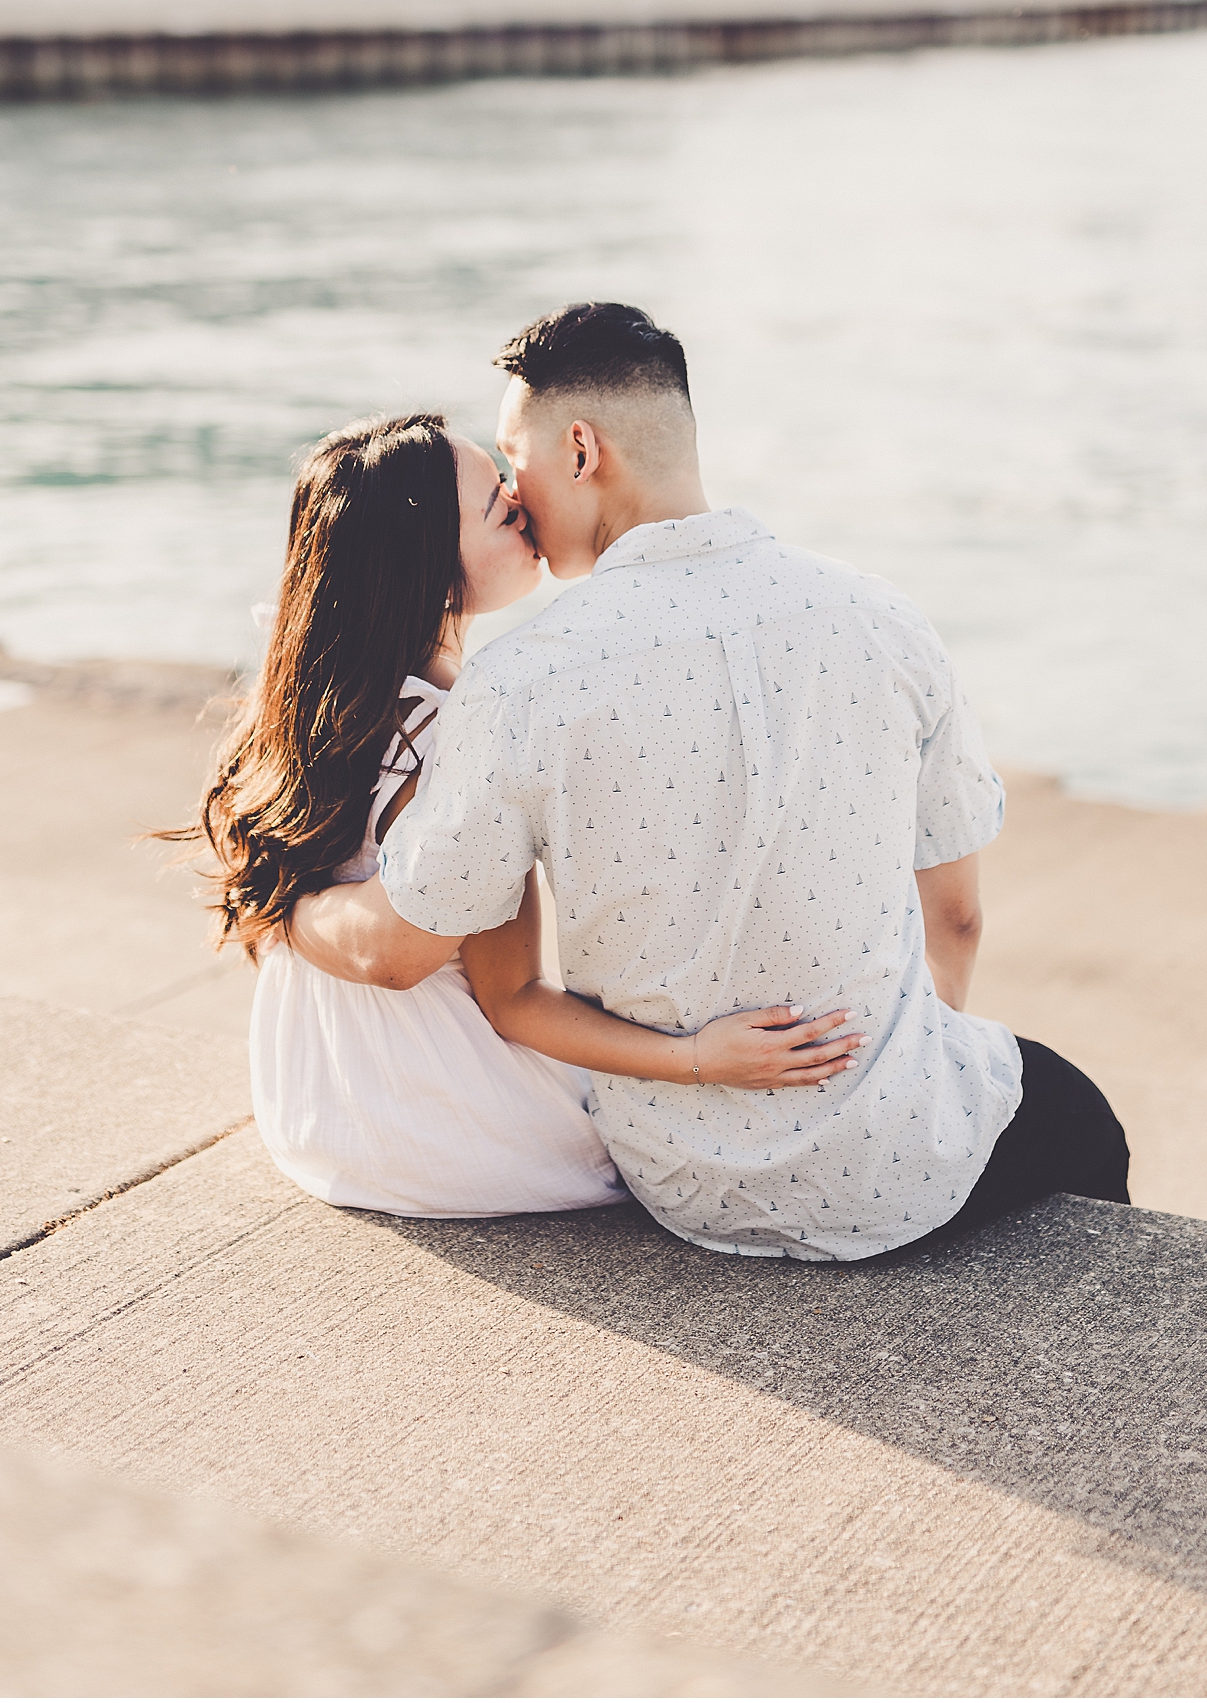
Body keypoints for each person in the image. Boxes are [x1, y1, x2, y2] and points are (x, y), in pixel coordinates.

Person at [297, 303, 1130, 1261]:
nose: (512, 496)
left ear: (580, 450)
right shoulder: (881, 616)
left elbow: (442, 957)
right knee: (1081, 1121)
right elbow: (957, 922)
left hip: (680, 1183)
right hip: (900, 1159)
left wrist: (293, 905)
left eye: (508, 459)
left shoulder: (519, 681)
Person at [169, 410, 860, 1220]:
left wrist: (291, 910)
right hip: (449, 1123)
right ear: (427, 562)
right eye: (498, 506)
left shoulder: (314, 693)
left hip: (317, 1102)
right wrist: (696, 1059)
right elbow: (512, 997)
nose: (522, 504)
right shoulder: (453, 731)